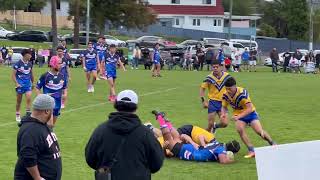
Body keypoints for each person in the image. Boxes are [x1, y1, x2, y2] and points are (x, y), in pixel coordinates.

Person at [85, 90, 164, 180]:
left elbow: (90, 158)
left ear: (116, 105)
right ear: (136, 107)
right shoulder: (146, 133)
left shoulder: (101, 130)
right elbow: (157, 163)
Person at [152, 111, 239, 164]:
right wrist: (232, 161)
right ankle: (160, 118)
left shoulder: (216, 144)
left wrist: (202, 145)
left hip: (190, 148)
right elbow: (223, 161)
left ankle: (165, 121)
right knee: (169, 140)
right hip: (187, 151)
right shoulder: (221, 149)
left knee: (176, 137)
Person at [221, 77, 276, 158]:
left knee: (259, 131)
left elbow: (249, 108)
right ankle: (251, 150)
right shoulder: (225, 95)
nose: (228, 91)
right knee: (240, 129)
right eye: (226, 88)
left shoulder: (242, 93)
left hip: (250, 113)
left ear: (235, 86)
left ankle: (273, 143)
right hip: (238, 115)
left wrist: (239, 116)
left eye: (230, 88)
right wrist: (223, 113)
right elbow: (224, 107)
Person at [14, 94, 62, 180]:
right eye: (52, 110)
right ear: (47, 111)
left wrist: (50, 126)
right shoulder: (31, 130)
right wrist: (37, 178)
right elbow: (28, 156)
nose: (53, 113)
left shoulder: (41, 125)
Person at [200, 60, 232, 133]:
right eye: (213, 67)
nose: (215, 68)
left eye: (217, 67)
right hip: (213, 102)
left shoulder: (227, 76)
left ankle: (215, 126)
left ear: (221, 67)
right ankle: (204, 138)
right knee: (210, 124)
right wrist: (203, 101)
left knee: (225, 123)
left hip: (223, 103)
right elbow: (202, 89)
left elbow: (232, 88)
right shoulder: (209, 78)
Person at [36, 56, 66, 127]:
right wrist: (41, 98)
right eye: (59, 63)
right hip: (48, 104)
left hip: (57, 104)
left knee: (51, 126)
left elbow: (64, 87)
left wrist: (65, 94)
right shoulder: (45, 76)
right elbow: (37, 88)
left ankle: (45, 135)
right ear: (53, 64)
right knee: (50, 125)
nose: (60, 65)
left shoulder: (62, 76)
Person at [12, 49, 34, 122]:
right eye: (29, 54)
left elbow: (31, 74)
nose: (31, 55)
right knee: (19, 101)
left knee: (29, 98)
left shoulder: (30, 64)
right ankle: (17, 114)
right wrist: (17, 83)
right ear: (25, 55)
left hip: (28, 84)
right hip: (20, 85)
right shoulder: (18, 64)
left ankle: (28, 113)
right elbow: (13, 75)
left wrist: (32, 83)